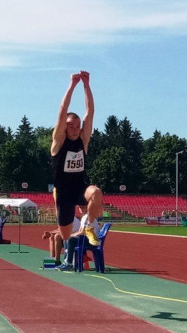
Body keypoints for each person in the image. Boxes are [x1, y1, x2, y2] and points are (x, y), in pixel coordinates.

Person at [51, 70, 103, 248]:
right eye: (70, 126)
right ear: (64, 127)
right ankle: (72, 245)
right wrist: (72, 85)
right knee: (66, 236)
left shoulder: (83, 139)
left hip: (80, 188)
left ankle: (88, 226)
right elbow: (62, 111)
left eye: (77, 126)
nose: (74, 129)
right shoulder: (59, 141)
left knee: (96, 193)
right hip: (63, 193)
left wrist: (87, 85)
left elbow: (90, 111)